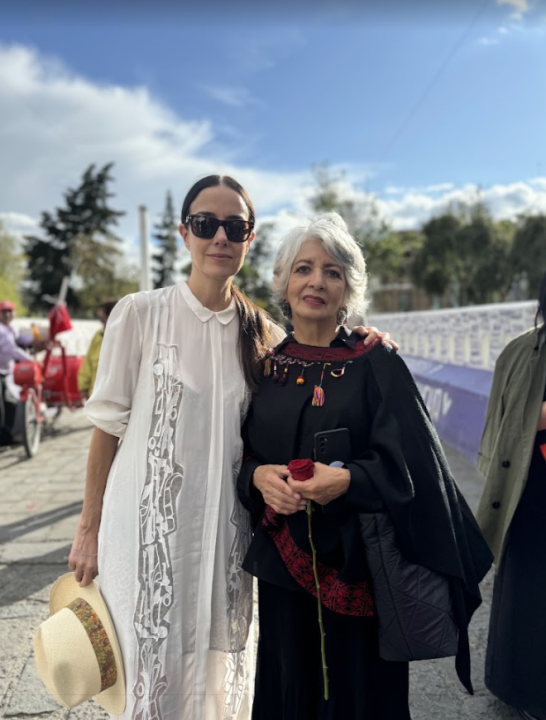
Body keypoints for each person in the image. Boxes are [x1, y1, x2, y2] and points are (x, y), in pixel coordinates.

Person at [67, 176, 396, 720]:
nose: (219, 237)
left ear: (249, 237)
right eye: (205, 224)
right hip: (148, 530)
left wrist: (366, 336)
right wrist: (88, 528)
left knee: (217, 671)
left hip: (226, 531)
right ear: (184, 233)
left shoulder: (262, 333)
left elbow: (318, 350)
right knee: (150, 666)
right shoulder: (140, 314)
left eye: (234, 226)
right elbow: (106, 428)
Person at [236, 212, 493, 720]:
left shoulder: (377, 362)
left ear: (348, 289)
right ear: (283, 284)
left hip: (362, 570)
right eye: (304, 268)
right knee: (291, 685)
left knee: (361, 693)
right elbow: (239, 456)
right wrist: (258, 478)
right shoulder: (262, 367)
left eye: (333, 271)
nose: (317, 281)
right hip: (283, 573)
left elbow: (419, 467)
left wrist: (351, 480)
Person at [477, 269, 546, 720]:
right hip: (532, 497)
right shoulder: (521, 352)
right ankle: (517, 683)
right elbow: (499, 434)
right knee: (525, 589)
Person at [0, 300, 36, 444]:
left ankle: (7, 437)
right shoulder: (1, 331)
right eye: (4, 312)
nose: (8, 315)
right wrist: (30, 360)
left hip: (5, 372)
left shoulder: (10, 329)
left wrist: (33, 335)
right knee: (2, 408)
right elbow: (11, 349)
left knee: (10, 404)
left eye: (10, 311)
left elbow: (21, 339)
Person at [77, 299, 118, 400]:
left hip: (118, 398)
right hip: (96, 396)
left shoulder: (128, 337)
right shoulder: (98, 335)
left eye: (103, 318)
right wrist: (84, 387)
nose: (102, 322)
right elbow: (88, 363)